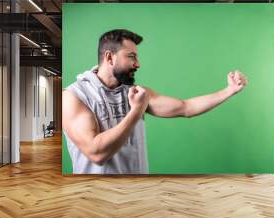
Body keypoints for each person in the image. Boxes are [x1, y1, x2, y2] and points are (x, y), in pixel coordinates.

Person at [62, 29, 248, 174]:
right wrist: (136, 111)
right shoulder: (74, 96)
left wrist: (229, 90)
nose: (138, 63)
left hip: (139, 193)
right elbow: (97, 153)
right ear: (109, 57)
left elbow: (186, 107)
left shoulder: (136, 93)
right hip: (96, 198)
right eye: (131, 56)